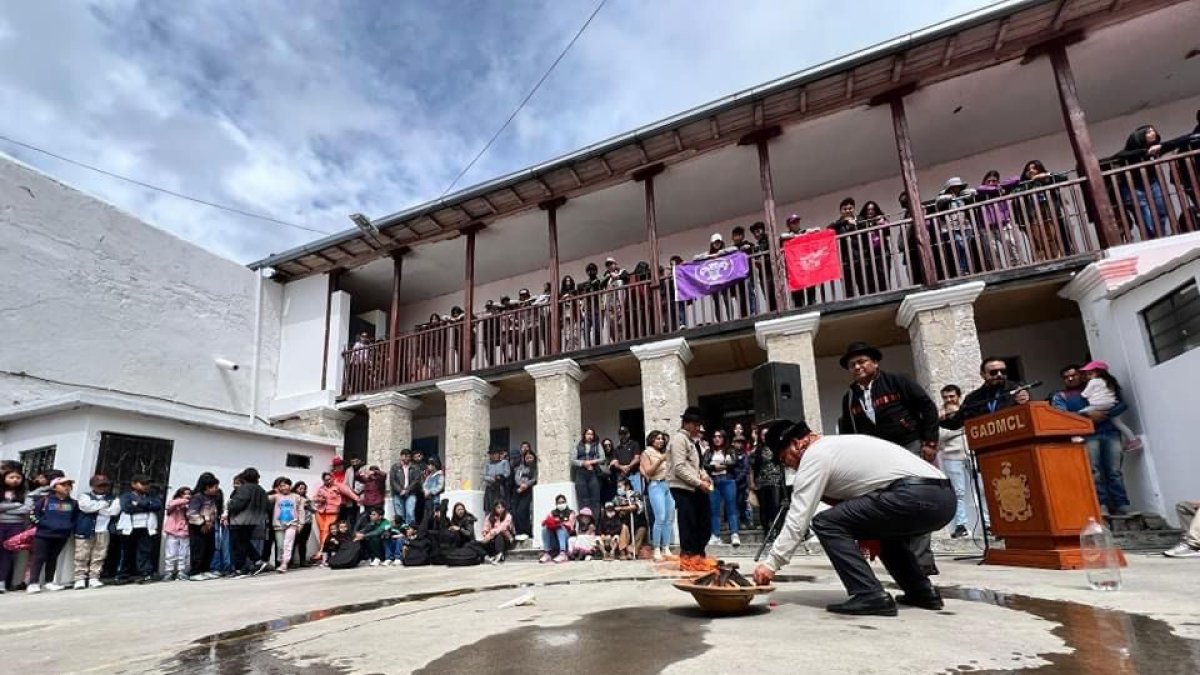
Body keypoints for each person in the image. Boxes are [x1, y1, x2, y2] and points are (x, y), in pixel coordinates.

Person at [752, 421, 956, 617]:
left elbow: (798, 519)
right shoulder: (836, 446)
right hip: (943, 499)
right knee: (883, 532)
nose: (788, 466)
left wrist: (771, 564)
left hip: (913, 495)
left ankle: (869, 594)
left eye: (783, 458)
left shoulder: (815, 455)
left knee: (826, 523)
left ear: (796, 444)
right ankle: (921, 591)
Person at [836, 341, 941, 574]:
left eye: (862, 361)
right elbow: (849, 432)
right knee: (892, 506)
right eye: (852, 364)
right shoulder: (850, 397)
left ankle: (922, 563)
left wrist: (930, 442)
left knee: (916, 501)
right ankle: (906, 562)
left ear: (875, 362)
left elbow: (928, 408)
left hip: (910, 445)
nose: (858, 367)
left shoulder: (898, 381)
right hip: (879, 457)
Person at [1049, 363, 1134, 516]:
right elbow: (1062, 417)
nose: (1070, 378)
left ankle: (1122, 504)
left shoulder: (1102, 386)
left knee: (1114, 471)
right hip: (1087, 436)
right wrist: (1088, 416)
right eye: (1066, 377)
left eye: (1073, 375)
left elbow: (1121, 404)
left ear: (1081, 374)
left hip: (1110, 432)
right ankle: (1101, 505)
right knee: (1094, 472)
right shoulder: (1061, 396)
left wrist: (1106, 415)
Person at [669, 406, 714, 567]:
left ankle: (698, 554)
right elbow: (679, 468)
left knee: (703, 523)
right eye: (695, 425)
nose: (697, 428)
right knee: (688, 524)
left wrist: (705, 477)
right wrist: (698, 482)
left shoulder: (692, 442)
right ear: (687, 424)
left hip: (695, 486)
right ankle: (689, 557)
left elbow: (698, 466)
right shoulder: (679, 440)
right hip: (683, 487)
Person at [942, 356, 1032, 429]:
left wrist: (1026, 402)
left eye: (1003, 371)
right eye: (994, 372)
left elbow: (1030, 413)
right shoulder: (973, 398)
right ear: (983, 374)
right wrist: (941, 418)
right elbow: (956, 422)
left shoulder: (1018, 389)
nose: (999, 375)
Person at [27, 476, 78, 593]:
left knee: (53, 558)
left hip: (62, 535)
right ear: (54, 487)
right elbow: (33, 515)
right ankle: (33, 583)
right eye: (63, 485)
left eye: (69, 485)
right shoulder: (45, 500)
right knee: (39, 558)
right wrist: (43, 524)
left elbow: (75, 518)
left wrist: (69, 527)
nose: (67, 487)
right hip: (43, 535)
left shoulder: (73, 503)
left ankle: (49, 581)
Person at [1078, 361, 1141, 451]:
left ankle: (1080, 436)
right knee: (1118, 423)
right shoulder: (1110, 381)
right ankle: (1133, 440)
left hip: (1098, 405)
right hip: (1111, 404)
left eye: (1089, 373)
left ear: (1098, 372)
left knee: (1080, 413)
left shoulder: (1093, 381)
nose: (1088, 376)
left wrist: (1083, 395)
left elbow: (1084, 395)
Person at [72, 474, 121, 589]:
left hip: (103, 530)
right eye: (99, 485)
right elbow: (85, 507)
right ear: (92, 486)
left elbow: (113, 512)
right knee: (81, 554)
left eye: (105, 485)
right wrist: (103, 505)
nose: (102, 488)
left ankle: (94, 577)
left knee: (99, 555)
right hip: (85, 529)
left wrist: (96, 508)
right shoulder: (84, 496)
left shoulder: (114, 498)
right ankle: (80, 578)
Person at [937, 386, 973, 539]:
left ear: (958, 396)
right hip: (951, 457)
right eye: (945, 397)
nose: (949, 400)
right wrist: (962, 429)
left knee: (980, 491)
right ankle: (960, 525)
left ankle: (987, 523)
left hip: (971, 454)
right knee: (958, 492)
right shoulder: (939, 416)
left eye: (952, 396)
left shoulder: (966, 412)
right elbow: (940, 436)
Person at [116, 474, 163, 584]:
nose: (146, 486)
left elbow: (157, 506)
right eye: (143, 483)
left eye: (148, 484)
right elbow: (127, 508)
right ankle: (123, 575)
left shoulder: (152, 495)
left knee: (144, 552)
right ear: (133, 484)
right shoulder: (127, 496)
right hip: (129, 528)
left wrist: (139, 504)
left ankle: (145, 574)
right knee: (126, 552)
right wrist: (146, 506)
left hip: (146, 528)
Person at [226, 468, 271, 577]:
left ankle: (240, 568)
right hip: (255, 520)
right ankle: (255, 561)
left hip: (240, 520)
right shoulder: (261, 490)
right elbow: (268, 506)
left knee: (238, 545)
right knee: (244, 542)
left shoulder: (245, 488)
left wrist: (229, 505)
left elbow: (237, 504)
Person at [640, 430, 676, 561]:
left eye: (662, 439)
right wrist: (660, 460)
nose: (660, 441)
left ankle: (666, 547)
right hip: (656, 485)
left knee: (668, 517)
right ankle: (656, 548)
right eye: (658, 439)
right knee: (659, 517)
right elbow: (648, 471)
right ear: (651, 440)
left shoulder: (663, 453)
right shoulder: (646, 453)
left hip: (668, 485)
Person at [704, 429, 741, 547]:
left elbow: (735, 462)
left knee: (731, 507)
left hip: (727, 480)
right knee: (714, 509)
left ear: (724, 438)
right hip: (713, 481)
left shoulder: (730, 450)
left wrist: (722, 466)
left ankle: (734, 534)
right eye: (715, 436)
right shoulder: (709, 451)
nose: (717, 438)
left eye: (719, 436)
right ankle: (715, 535)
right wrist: (715, 468)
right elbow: (704, 464)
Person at [750, 424, 787, 535]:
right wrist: (752, 482)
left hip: (775, 480)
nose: (765, 436)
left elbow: (782, 464)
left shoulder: (777, 447)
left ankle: (777, 530)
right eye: (762, 434)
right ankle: (767, 531)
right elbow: (752, 467)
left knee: (776, 506)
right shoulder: (757, 450)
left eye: (767, 434)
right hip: (762, 481)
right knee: (764, 508)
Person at [0, 468, 32, 592]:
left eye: (18, 478)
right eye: (11, 477)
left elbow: (27, 509)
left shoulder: (25, 493)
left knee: (7, 553)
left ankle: (2, 581)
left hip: (16, 526)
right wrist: (16, 505)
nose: (15, 480)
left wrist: (5, 508)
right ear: (4, 478)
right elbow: (21, 507)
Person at [187, 473, 222, 581]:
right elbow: (191, 513)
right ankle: (195, 572)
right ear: (207, 487)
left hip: (210, 526)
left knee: (209, 549)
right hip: (198, 527)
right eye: (215, 487)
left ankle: (205, 569)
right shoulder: (197, 497)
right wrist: (202, 523)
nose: (217, 489)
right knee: (198, 549)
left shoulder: (212, 498)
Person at [314, 471, 358, 554]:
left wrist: (357, 499)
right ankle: (323, 551)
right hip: (320, 512)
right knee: (322, 531)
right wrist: (319, 499)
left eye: (329, 479)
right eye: (326, 480)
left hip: (333, 512)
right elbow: (315, 498)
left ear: (333, 478)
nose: (328, 481)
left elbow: (348, 492)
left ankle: (322, 551)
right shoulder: (321, 488)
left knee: (327, 531)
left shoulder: (338, 486)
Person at [270, 477, 303, 573]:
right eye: (280, 486)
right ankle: (280, 561)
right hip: (278, 524)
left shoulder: (296, 497)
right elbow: (265, 498)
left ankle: (284, 563)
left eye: (285, 485)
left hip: (292, 523)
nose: (283, 488)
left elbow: (301, 510)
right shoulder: (276, 496)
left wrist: (301, 524)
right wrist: (274, 490)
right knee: (280, 545)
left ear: (290, 486)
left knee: (288, 544)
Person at [162, 486, 192, 581]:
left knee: (183, 553)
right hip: (172, 530)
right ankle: (169, 572)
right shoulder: (174, 502)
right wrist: (184, 500)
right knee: (171, 553)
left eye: (189, 493)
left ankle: (181, 571)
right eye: (185, 493)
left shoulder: (191, 504)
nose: (187, 495)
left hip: (185, 530)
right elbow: (169, 506)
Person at [573, 428, 604, 516]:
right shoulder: (578, 445)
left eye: (591, 434)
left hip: (593, 474)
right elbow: (573, 460)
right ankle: (585, 524)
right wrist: (583, 463)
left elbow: (602, 459)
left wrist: (590, 462)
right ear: (584, 435)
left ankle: (595, 523)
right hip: (581, 474)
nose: (590, 436)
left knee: (595, 500)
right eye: (588, 434)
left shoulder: (597, 445)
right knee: (583, 500)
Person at [614, 478, 647, 559]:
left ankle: (632, 551)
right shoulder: (616, 498)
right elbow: (614, 509)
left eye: (620, 486)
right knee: (624, 528)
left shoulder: (635, 494)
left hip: (638, 522)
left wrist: (622, 508)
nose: (619, 489)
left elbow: (637, 506)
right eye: (618, 487)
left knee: (642, 529)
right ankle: (623, 551)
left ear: (627, 486)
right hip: (625, 523)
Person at [390, 449, 423, 527]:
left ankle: (411, 530)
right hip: (398, 494)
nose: (406, 458)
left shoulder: (415, 467)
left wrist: (407, 490)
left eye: (408, 456)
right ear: (401, 456)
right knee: (399, 515)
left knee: (410, 513)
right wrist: (400, 490)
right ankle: (401, 531)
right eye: (404, 456)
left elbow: (416, 480)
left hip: (411, 493)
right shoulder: (395, 467)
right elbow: (392, 480)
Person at [540, 496, 575, 564]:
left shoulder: (571, 512)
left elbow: (571, 526)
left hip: (566, 539)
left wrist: (559, 523)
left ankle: (563, 553)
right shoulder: (552, 513)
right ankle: (547, 553)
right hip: (554, 539)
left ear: (566, 502)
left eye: (562, 502)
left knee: (560, 528)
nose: (561, 504)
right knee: (545, 529)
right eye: (559, 502)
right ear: (556, 504)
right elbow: (547, 521)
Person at [512, 448, 537, 538]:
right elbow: (516, 477)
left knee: (522, 511)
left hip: (529, 491)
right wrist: (521, 485)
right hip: (519, 490)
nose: (529, 459)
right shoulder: (521, 467)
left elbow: (534, 478)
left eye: (530, 457)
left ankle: (526, 531)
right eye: (527, 458)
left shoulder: (535, 467)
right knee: (515, 511)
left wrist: (526, 485)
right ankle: (519, 531)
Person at [610, 426, 643, 494]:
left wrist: (628, 466)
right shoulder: (617, 448)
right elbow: (615, 462)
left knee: (638, 494)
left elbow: (637, 458)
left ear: (628, 434)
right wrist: (621, 467)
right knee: (621, 495)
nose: (623, 436)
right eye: (621, 434)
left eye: (624, 434)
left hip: (634, 473)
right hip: (622, 475)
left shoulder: (634, 444)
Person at [483, 447, 511, 514]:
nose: (494, 456)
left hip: (500, 487)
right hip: (490, 487)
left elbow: (507, 473)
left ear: (499, 455)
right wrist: (492, 478)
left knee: (500, 505)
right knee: (489, 506)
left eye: (495, 454)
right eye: (492, 454)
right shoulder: (487, 465)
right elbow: (484, 476)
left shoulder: (504, 462)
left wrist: (500, 476)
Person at [293, 481, 314, 568]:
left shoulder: (306, 498)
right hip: (297, 523)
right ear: (296, 488)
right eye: (300, 488)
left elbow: (313, 510)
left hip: (307, 522)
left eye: (304, 488)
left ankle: (303, 561)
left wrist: (310, 506)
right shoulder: (293, 497)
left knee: (303, 542)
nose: (302, 490)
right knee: (293, 542)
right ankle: (290, 561)